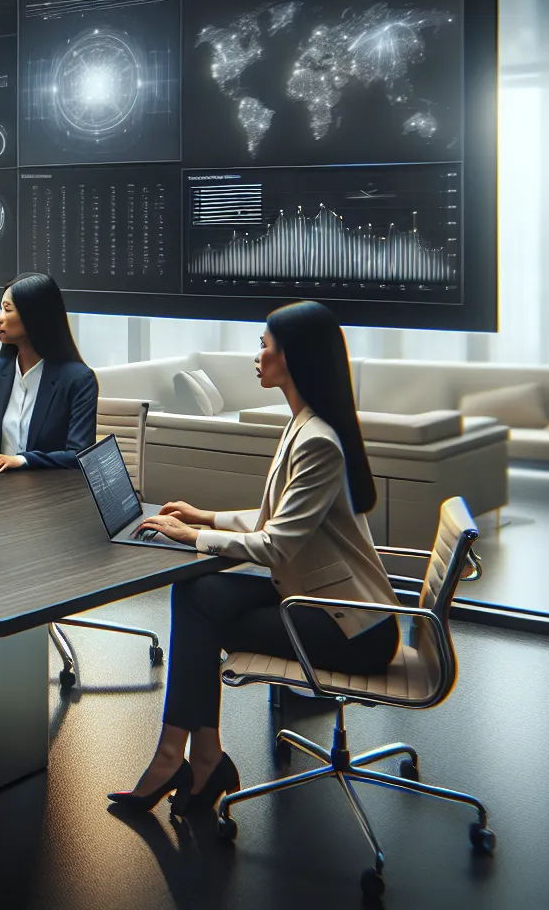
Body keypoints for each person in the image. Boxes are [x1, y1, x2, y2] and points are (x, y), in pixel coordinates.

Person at [110, 300, 402, 816]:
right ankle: (196, 756)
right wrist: (206, 517)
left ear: (292, 357)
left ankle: (185, 758)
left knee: (202, 618)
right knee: (198, 594)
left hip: (353, 628)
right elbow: (276, 518)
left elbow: (276, 545)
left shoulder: (318, 441)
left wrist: (190, 536)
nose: (257, 355)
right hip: (319, 600)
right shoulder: (305, 425)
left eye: (264, 345)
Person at [0, 273, 98, 473]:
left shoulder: (78, 379)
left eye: (7, 309)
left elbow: (79, 455)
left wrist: (22, 460)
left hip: (49, 494)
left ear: (33, 316)